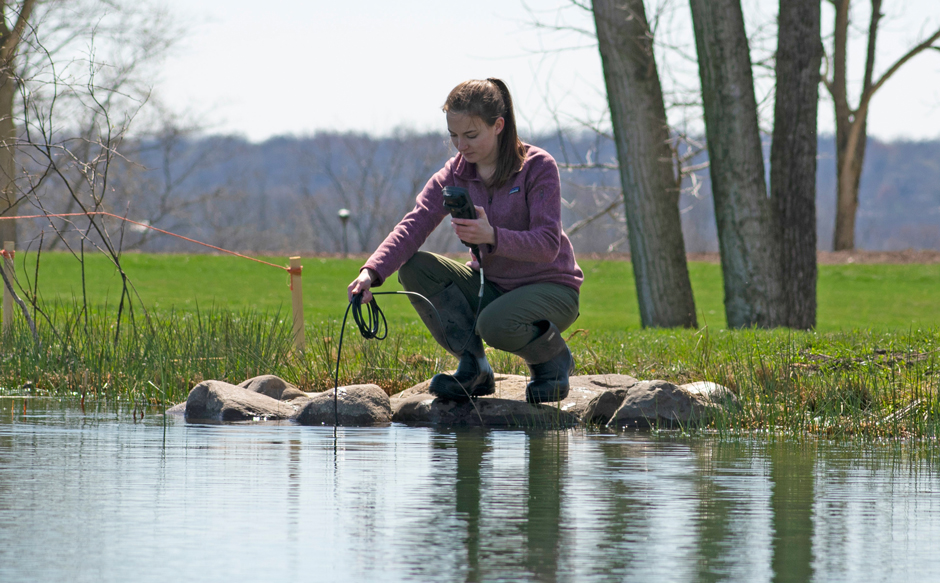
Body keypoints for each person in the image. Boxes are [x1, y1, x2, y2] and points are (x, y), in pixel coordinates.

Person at [347, 78, 583, 403]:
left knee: (494, 324)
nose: (461, 145)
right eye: (453, 135)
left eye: (471, 135)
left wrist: (493, 237)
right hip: (492, 286)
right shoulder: (454, 174)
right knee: (415, 268)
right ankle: (474, 369)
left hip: (552, 288)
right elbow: (413, 224)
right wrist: (370, 273)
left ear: (498, 125)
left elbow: (547, 245)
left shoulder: (538, 166)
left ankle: (552, 360)